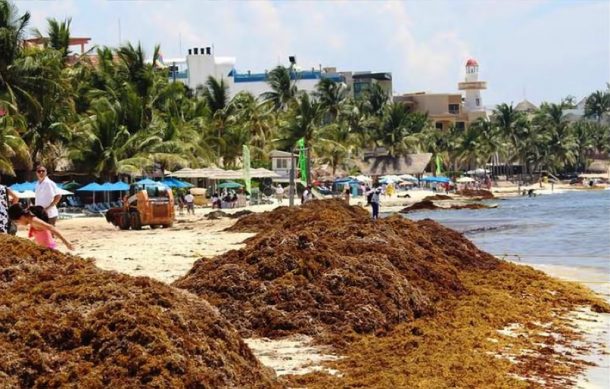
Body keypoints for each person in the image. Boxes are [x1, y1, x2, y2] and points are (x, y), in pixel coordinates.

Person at [8, 204, 74, 250]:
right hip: (43, 248)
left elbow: (51, 228)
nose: (18, 224)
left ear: (22, 217)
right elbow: (41, 235)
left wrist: (67, 243)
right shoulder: (31, 220)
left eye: (17, 221)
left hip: (49, 249)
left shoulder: (34, 221)